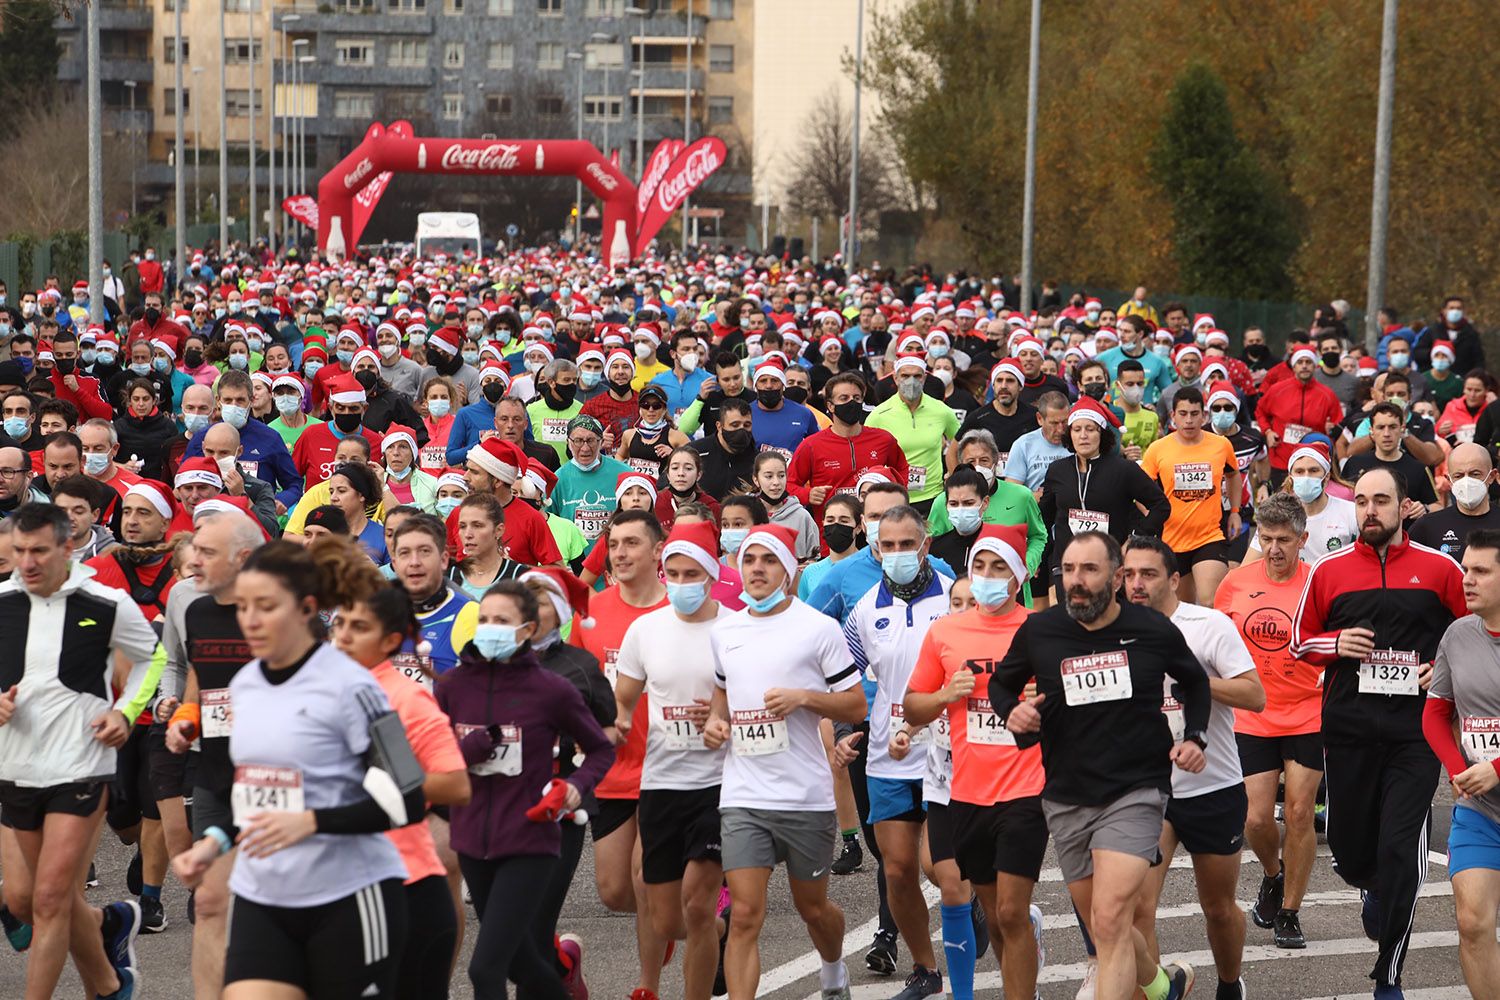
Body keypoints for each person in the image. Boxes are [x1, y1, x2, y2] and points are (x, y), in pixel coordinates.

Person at [169, 536, 427, 1000]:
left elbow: (408, 796)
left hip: (349, 896)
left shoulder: (351, 686)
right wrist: (214, 843)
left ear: (307, 608)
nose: (249, 619)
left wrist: (312, 822)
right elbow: (254, 792)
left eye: (266, 606)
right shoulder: (245, 684)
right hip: (262, 896)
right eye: (243, 606)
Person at [990, 531, 1210, 1000]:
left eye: (1089, 570)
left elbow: (1195, 681)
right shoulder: (1041, 630)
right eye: (1069, 570)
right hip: (1066, 793)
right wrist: (1013, 711)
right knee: (1103, 922)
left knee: (1110, 919)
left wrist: (1195, 736)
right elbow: (1002, 685)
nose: (1076, 581)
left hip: (1137, 790)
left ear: (1115, 578)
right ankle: (1161, 985)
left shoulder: (1151, 629)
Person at [1292, 466, 1466, 998]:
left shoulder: (1440, 570)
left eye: (1381, 501)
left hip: (1415, 734)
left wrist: (1443, 667)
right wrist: (1336, 643)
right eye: (1362, 500)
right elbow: (1301, 641)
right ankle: (1369, 886)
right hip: (1347, 729)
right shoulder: (1330, 570)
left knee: (1401, 852)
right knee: (1349, 850)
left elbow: (1473, 634)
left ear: (1403, 506)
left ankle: (1388, 973)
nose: (1370, 510)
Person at [0, 502, 164, 1000]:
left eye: (39, 552)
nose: (27, 563)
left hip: (81, 763)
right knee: (24, 900)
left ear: (67, 548)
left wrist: (125, 712)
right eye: (19, 551)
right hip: (16, 765)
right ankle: (107, 954)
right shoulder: (2, 602)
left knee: (50, 898)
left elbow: (151, 658)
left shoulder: (105, 602)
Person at [702, 522, 867, 1000]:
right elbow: (721, 695)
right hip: (744, 795)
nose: (756, 568)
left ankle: (833, 967)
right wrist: (716, 722)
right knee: (746, 914)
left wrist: (803, 698)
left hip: (805, 796)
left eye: (768, 560)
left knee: (813, 908)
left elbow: (855, 705)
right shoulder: (725, 630)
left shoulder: (818, 629)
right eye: (749, 559)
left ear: (789, 570)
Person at [437, 579, 615, 999]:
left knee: (485, 970)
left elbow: (600, 750)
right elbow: (437, 758)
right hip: (472, 839)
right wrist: (473, 746)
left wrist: (574, 787)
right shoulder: (453, 687)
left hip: (529, 839)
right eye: (484, 619)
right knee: (523, 963)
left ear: (528, 630)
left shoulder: (551, 690)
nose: (490, 628)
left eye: (502, 620)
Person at [905, 524, 1047, 1000]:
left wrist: (1041, 698)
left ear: (1018, 575)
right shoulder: (945, 632)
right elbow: (912, 706)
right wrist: (946, 695)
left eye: (999, 567)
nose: (986, 576)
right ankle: (1021, 972)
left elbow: (1072, 705)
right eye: (980, 566)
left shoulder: (1040, 631)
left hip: (1026, 786)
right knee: (999, 916)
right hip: (967, 792)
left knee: (1010, 911)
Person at [1122, 536, 1264, 1000]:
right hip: (1147, 791)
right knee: (1139, 909)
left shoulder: (1208, 626)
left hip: (1212, 785)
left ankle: (1229, 983)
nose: (1136, 584)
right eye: (1128, 575)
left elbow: (1254, 695)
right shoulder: (1112, 631)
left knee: (1218, 908)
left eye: (1148, 574)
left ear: (1174, 579)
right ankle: (1162, 992)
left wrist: (1198, 680)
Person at [331, 584, 473, 1000]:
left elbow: (456, 784)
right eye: (339, 623)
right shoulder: (324, 693)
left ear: (391, 640)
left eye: (358, 627)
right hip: (338, 884)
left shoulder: (401, 699)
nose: (342, 636)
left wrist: (384, 778)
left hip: (401, 887)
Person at [835, 502, 953, 999]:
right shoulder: (866, 608)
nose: (899, 553)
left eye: (909, 544)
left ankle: (981, 908)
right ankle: (925, 969)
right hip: (889, 754)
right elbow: (845, 672)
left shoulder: (953, 597)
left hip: (947, 749)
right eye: (890, 546)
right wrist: (844, 727)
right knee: (898, 869)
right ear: (877, 548)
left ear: (926, 544)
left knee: (938, 865)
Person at [613, 521, 732, 1000]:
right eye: (674, 574)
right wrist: (611, 725)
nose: (682, 584)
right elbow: (623, 703)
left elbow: (762, 701)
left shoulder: (734, 630)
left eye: (692, 574)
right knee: (669, 920)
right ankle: (719, 935)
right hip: (661, 785)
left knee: (699, 907)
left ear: (711, 574)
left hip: (721, 785)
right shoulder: (645, 630)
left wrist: (726, 715)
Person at [567, 509, 672, 1000]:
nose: (621, 554)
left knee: (646, 878)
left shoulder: (682, 609)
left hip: (670, 767)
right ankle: (696, 924)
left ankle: (646, 987)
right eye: (614, 545)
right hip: (611, 767)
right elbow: (572, 682)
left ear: (658, 551)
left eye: (632, 543)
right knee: (614, 892)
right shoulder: (590, 610)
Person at [1215, 493, 1323, 949]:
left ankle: (1291, 912)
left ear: (1303, 538)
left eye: (1284, 539)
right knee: (1255, 819)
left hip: (1309, 710)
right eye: (1266, 538)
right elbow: (1216, 642)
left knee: (1300, 812)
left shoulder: (1320, 583)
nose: (1275, 548)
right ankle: (1273, 875)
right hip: (1253, 712)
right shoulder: (1235, 583)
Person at [1423, 528, 1500, 998]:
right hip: (1480, 812)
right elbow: (1435, 713)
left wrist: (1497, 767)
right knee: (1472, 922)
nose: (1466, 580)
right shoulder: (1457, 634)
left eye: (1481, 572)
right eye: (1465, 569)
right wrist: (1456, 769)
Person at [1040, 396, 1170, 600]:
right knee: (1071, 627)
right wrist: (1039, 558)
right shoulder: (1057, 470)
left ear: (1102, 434)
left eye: (1090, 429)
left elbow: (1161, 505)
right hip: (1067, 564)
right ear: (1070, 434)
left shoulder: (1123, 469)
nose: (1083, 436)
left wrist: (1134, 539)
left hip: (1111, 566)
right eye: (1077, 429)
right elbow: (1044, 521)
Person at [1141, 388, 1241, 605]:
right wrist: (1151, 516)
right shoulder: (1157, 449)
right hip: (1171, 540)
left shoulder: (1221, 444)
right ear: (1173, 416)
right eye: (1183, 414)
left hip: (1209, 536)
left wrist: (1235, 511)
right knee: (1181, 608)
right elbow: (1139, 489)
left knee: (1210, 601)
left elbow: (1234, 475)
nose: (1188, 420)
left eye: (1194, 414)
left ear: (1204, 415)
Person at [788, 372, 908, 520]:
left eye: (857, 398)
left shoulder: (883, 439)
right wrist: (807, 494)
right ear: (831, 406)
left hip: (874, 529)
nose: (852, 402)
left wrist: (897, 496)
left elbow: (902, 468)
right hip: (831, 533)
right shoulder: (811, 445)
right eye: (844, 398)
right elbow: (789, 484)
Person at [867, 354, 960, 514]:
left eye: (917, 376)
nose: (911, 381)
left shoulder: (941, 410)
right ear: (895, 379)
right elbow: (867, 456)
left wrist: (954, 472)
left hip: (933, 497)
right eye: (905, 376)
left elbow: (962, 443)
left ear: (924, 378)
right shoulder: (879, 414)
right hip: (893, 497)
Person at [1243, 442, 1357, 565]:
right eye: (1299, 471)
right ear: (1290, 477)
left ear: (1327, 476)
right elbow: (1245, 569)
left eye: (1314, 471)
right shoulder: (1274, 515)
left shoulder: (1351, 512)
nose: (1306, 477)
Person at [550, 414, 630, 550]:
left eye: (591, 440)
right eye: (578, 441)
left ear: (601, 442)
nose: (585, 448)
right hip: (575, 563)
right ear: (568, 443)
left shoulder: (624, 473)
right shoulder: (557, 479)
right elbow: (549, 523)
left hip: (616, 558)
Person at [1410, 442, 1500, 562]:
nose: (1467, 481)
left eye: (1475, 474)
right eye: (1458, 476)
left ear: (1491, 476)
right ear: (1449, 480)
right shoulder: (1427, 526)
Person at [1340, 403, 1440, 510]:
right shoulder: (1354, 464)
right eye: (1381, 427)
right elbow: (1339, 501)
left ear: (1402, 429)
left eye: (1392, 427)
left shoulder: (1418, 469)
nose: (1386, 433)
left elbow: (1437, 506)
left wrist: (1424, 509)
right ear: (1371, 431)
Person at [616, 385, 689, 482]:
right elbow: (620, 456)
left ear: (664, 409)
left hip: (662, 491)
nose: (651, 410)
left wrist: (674, 454)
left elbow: (693, 461)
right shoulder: (629, 434)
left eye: (656, 406)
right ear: (640, 409)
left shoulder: (676, 436)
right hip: (635, 488)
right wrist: (624, 473)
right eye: (645, 405)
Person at [691, 397, 757, 500]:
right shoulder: (695, 452)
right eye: (735, 425)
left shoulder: (757, 459)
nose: (741, 430)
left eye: (747, 425)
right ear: (719, 426)